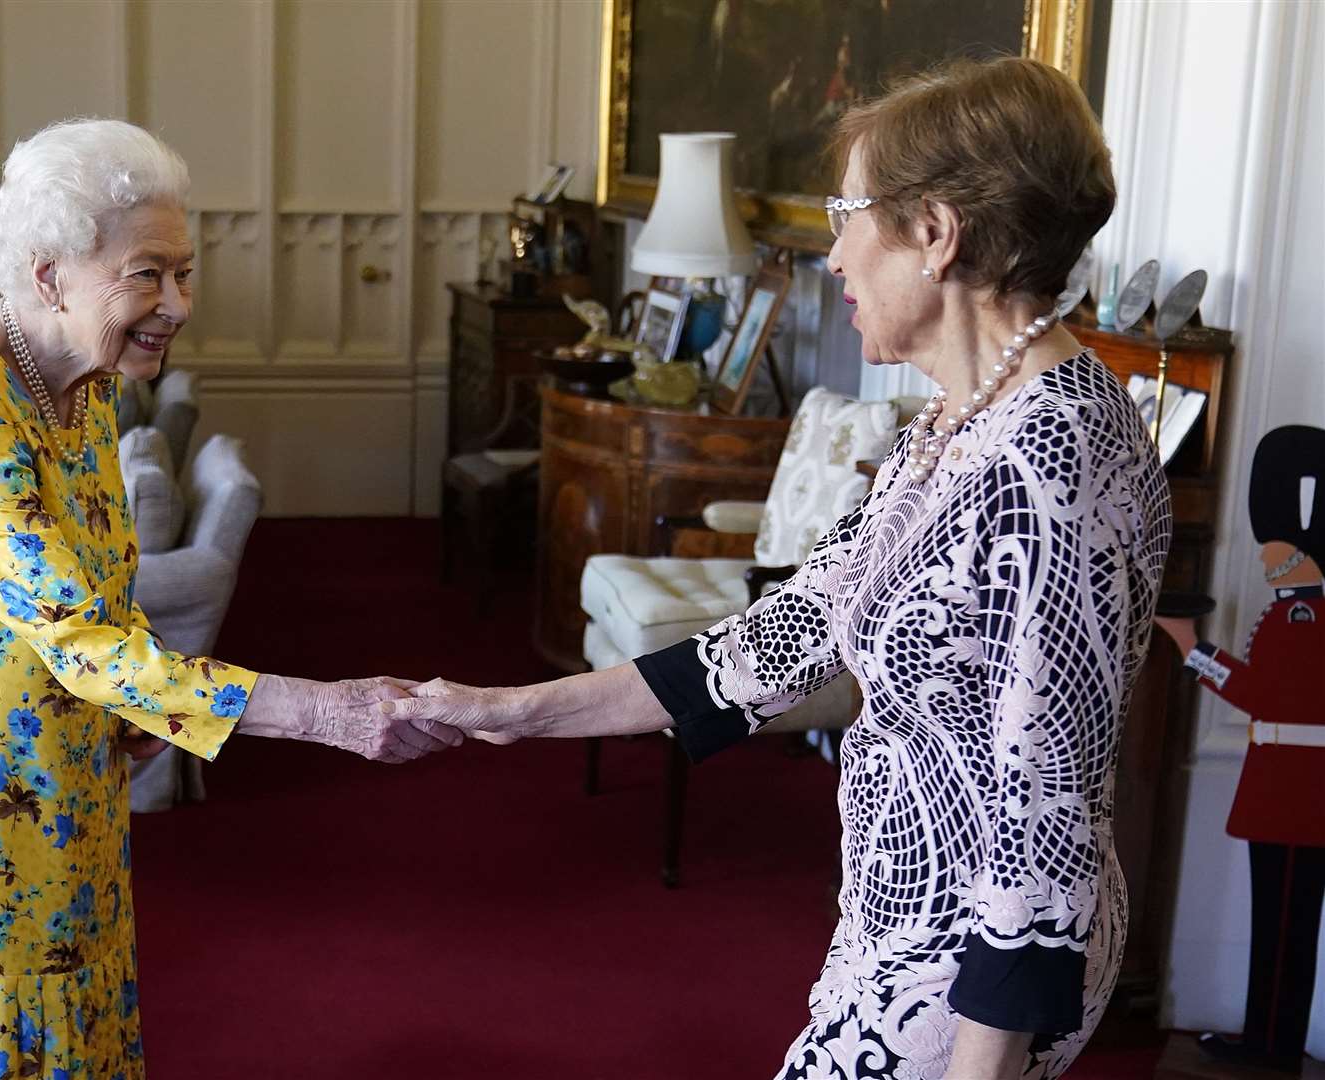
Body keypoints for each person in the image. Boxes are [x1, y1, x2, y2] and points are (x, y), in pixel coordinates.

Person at [388, 57, 1172, 1080]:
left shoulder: (1047, 456)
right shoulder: (953, 422)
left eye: (846, 214)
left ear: (935, 234)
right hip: (894, 934)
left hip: (965, 976)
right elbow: (782, 636)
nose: (831, 254)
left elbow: (1045, 811)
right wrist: (506, 713)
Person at [0, 119, 459, 1079]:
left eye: (185, 272)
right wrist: (321, 711)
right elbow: (73, 624)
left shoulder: (79, 380)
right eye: (147, 275)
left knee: (80, 1011)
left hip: (74, 773)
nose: (176, 304)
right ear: (48, 275)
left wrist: (142, 703)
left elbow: (101, 581)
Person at [1156, 425, 1325, 1072]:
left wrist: (1189, 647)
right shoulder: (1297, 610)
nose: (1267, 558)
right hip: (1292, 784)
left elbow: (1265, 697)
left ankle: (1271, 1047)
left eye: (1279, 550)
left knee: (1283, 929)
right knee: (1283, 927)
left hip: (1294, 791)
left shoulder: (1305, 616)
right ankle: (1266, 1038)